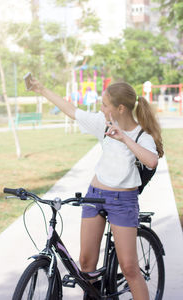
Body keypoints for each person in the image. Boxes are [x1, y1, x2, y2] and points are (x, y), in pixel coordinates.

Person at [30, 79, 164, 300]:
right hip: (95, 196)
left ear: (120, 108)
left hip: (123, 202)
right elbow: (72, 111)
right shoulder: (102, 123)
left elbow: (151, 161)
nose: (100, 109)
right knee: (86, 265)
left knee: (130, 268)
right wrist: (42, 89)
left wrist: (123, 137)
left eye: (104, 105)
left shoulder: (142, 136)